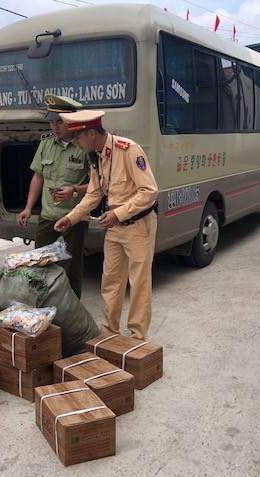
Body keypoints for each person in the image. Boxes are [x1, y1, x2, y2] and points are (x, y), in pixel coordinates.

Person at [54, 110, 158, 341]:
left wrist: (118, 214)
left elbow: (149, 192)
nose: (76, 144)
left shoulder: (128, 150)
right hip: (114, 228)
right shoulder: (96, 156)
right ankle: (109, 334)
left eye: (78, 138)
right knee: (111, 281)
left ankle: (137, 338)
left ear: (91, 133)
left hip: (138, 226)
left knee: (139, 283)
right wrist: (70, 218)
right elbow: (94, 194)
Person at [17, 94, 90, 299]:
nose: (54, 127)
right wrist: (28, 208)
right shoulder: (46, 144)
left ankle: (72, 307)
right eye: (51, 121)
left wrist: (74, 190)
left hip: (74, 218)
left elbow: (97, 184)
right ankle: (41, 305)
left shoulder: (84, 146)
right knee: (40, 262)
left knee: (71, 267)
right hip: (48, 215)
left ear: (71, 121)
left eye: (59, 122)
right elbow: (38, 176)